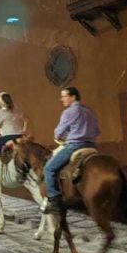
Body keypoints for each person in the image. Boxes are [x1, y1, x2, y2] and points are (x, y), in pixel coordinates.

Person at [42, 86, 99, 214]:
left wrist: (59, 136)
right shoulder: (89, 111)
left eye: (64, 96)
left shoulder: (68, 112)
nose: (61, 99)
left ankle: (54, 199)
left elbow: (58, 132)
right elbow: (96, 131)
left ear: (73, 97)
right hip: (91, 146)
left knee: (48, 168)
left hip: (75, 145)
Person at [0, 92, 28, 184]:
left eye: (0, 100)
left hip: (7, 137)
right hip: (20, 136)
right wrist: (24, 130)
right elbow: (26, 120)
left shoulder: (0, 112)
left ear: (3, 101)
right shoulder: (17, 110)